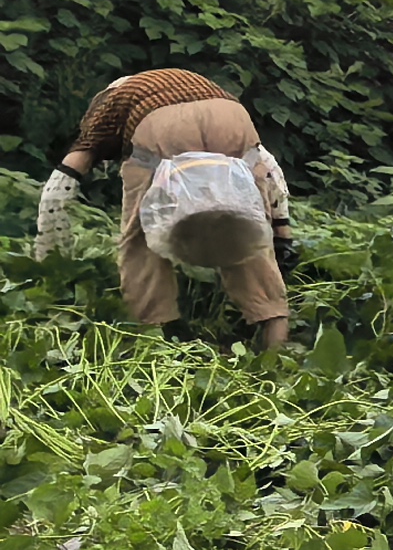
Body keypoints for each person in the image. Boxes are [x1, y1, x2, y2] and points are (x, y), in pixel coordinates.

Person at [35, 66, 294, 350]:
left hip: (162, 128)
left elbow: (65, 178)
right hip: (233, 118)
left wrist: (48, 251)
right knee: (238, 221)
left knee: (140, 238)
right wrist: (281, 236)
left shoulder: (108, 111)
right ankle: (275, 339)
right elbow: (271, 174)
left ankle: (151, 336)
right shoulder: (195, 85)